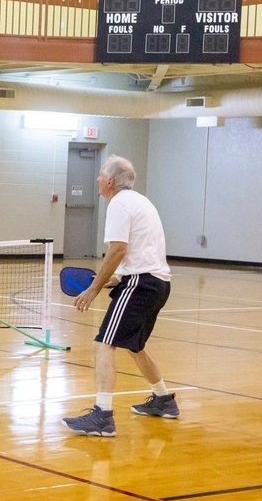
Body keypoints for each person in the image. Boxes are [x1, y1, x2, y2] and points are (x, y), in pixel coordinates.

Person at [63, 154, 177, 437]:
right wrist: (112, 280)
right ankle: (163, 400)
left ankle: (102, 416)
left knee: (103, 344)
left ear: (110, 181)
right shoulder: (141, 201)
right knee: (134, 345)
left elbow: (118, 250)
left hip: (141, 284)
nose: (98, 180)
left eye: (100, 175)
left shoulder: (119, 205)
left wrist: (93, 289)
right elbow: (138, 256)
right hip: (158, 283)